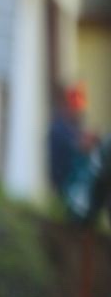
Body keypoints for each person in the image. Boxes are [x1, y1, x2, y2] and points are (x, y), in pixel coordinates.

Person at [49, 83, 111, 225]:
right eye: (75, 105)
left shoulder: (72, 125)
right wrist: (92, 140)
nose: (78, 110)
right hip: (68, 183)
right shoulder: (58, 127)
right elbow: (80, 145)